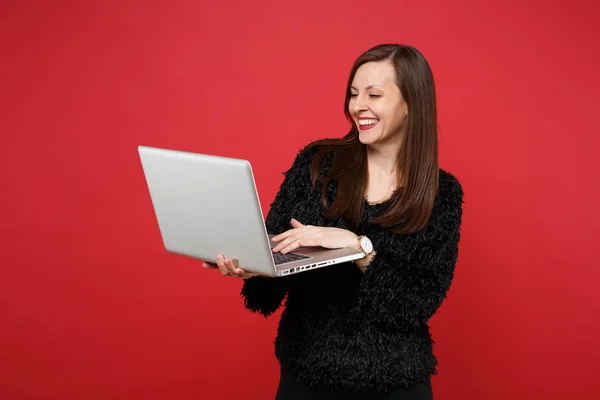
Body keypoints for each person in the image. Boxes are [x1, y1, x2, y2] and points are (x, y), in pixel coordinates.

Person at [203, 44, 464, 400]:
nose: (359, 106)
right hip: (306, 374)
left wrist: (358, 247)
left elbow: (416, 303)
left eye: (374, 94)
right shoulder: (317, 164)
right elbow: (274, 258)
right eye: (354, 93)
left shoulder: (440, 192)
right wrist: (253, 265)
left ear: (410, 105)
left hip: (396, 383)